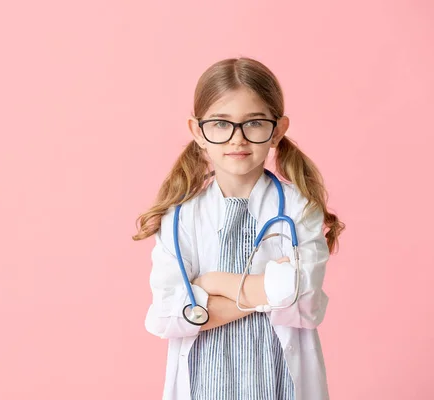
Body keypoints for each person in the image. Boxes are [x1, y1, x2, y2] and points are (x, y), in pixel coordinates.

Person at [133, 57, 345, 400]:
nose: (237, 139)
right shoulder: (180, 217)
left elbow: (305, 304)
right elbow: (166, 316)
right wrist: (270, 294)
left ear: (277, 129)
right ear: (197, 131)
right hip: (205, 384)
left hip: (279, 384)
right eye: (220, 124)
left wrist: (211, 284)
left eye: (255, 123)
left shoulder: (299, 209)